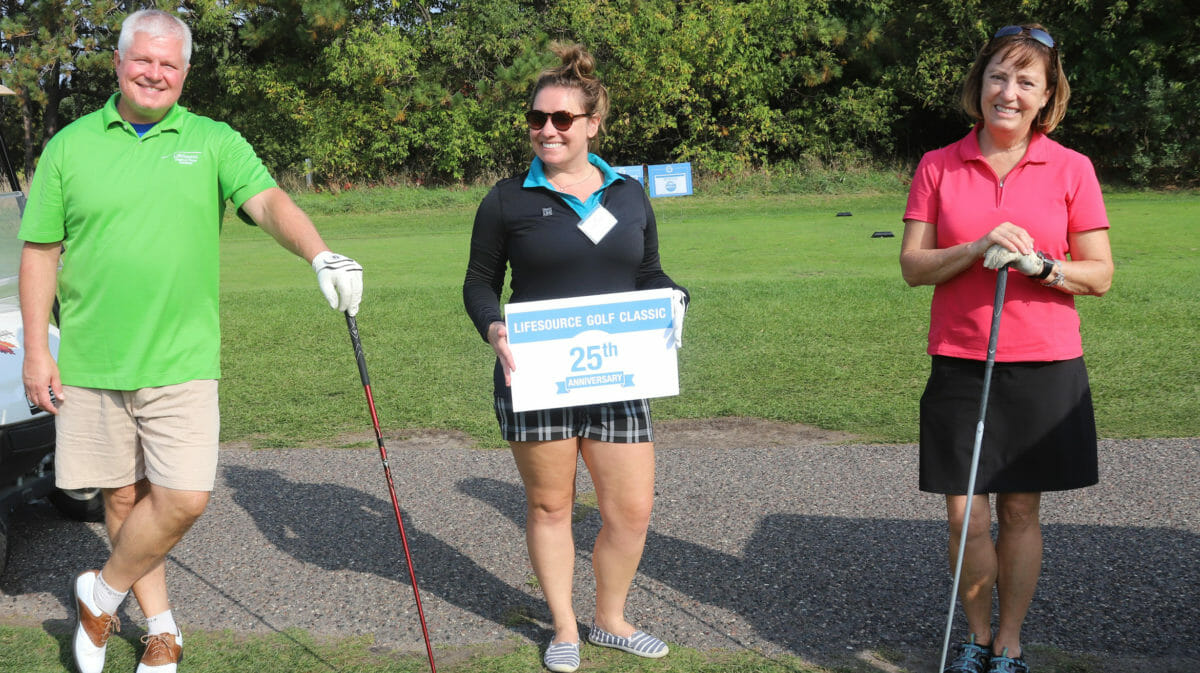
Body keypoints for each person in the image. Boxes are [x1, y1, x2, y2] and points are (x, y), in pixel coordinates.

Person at [18, 10, 363, 673]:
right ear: (118, 63)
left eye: (168, 64)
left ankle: (102, 592)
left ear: (184, 72)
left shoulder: (210, 139)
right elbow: (40, 253)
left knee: (182, 496)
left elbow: (267, 202)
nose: (154, 73)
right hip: (92, 358)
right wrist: (39, 349)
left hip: (182, 357)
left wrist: (320, 254)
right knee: (120, 497)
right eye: (143, 60)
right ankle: (161, 628)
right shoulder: (69, 145)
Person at [463, 43, 688, 673]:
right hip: (534, 373)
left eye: (562, 119)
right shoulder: (507, 198)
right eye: (537, 118)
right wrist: (493, 327)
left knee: (630, 511)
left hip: (619, 374)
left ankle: (611, 619)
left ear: (593, 123)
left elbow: (649, 272)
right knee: (550, 506)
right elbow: (479, 282)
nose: (547, 130)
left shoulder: (629, 195)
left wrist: (673, 297)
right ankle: (564, 625)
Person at [900, 23, 1113, 673]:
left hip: (1044, 360)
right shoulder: (938, 164)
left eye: (1026, 81)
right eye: (999, 76)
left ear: (1047, 96)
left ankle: (1010, 641)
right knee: (966, 513)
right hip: (962, 358)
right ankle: (975, 634)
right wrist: (975, 247)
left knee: (1021, 509)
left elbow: (1099, 273)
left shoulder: (1072, 168)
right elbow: (912, 265)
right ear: (980, 83)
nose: (1009, 92)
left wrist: (1039, 264)